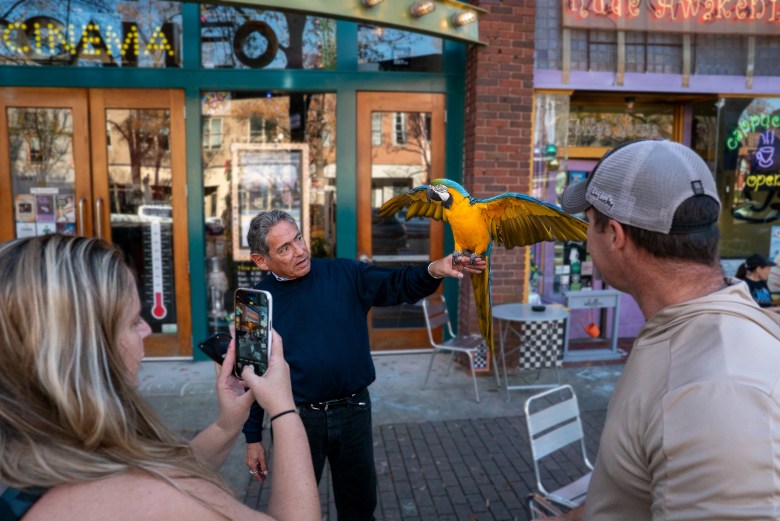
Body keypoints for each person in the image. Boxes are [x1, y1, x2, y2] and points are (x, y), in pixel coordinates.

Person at [0, 234, 319, 521]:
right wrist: (283, 408)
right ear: (84, 354)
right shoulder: (144, 500)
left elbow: (171, 474)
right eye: (131, 320)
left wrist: (227, 423)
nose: (146, 330)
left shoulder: (34, 469)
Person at [547, 139, 780, 520]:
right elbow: (640, 492)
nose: (586, 241)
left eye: (588, 223)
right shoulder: (690, 333)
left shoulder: (717, 390)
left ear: (615, 236)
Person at [242, 209, 486, 520]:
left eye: (299, 238)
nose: (301, 251)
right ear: (261, 260)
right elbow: (252, 373)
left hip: (353, 411)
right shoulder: (255, 304)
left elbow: (397, 284)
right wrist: (253, 438)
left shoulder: (343, 274)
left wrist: (435, 269)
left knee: (359, 509)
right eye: (285, 248)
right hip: (296, 420)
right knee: (294, 511)